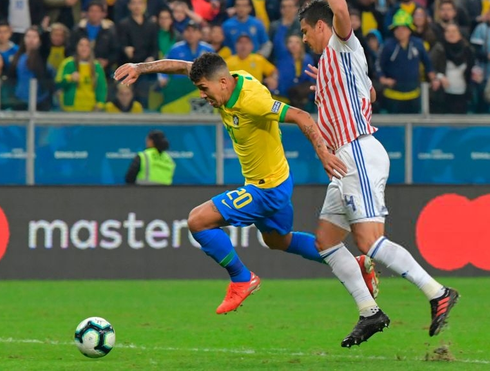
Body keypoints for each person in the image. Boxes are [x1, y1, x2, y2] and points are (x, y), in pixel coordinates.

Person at [113, 51, 376, 316]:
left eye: (204, 89)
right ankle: (353, 266)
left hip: (266, 189)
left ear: (223, 83)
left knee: (197, 221)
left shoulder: (253, 101)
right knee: (279, 241)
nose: (202, 95)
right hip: (279, 180)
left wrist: (323, 153)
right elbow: (181, 66)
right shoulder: (225, 79)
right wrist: (140, 67)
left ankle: (241, 278)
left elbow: (302, 116)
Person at [298, 0, 458, 348]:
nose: (304, 40)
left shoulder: (340, 43)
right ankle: (370, 312)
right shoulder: (333, 66)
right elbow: (366, 95)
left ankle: (437, 293)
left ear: (321, 26)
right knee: (326, 241)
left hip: (358, 152)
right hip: (343, 162)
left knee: (369, 242)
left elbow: (342, 13)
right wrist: (336, 87)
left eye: (305, 31)